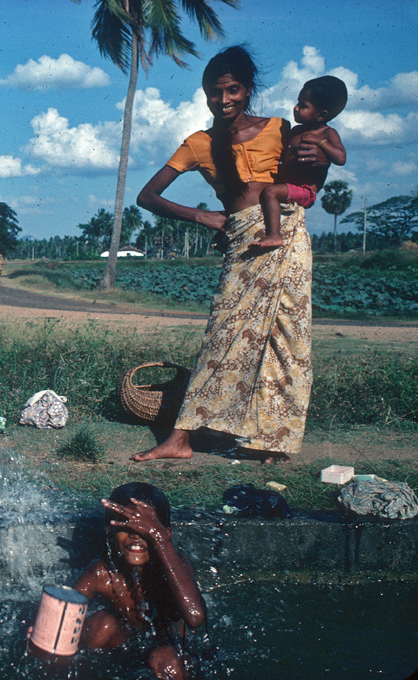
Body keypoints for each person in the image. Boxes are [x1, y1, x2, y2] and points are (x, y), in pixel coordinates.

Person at [134, 45, 319, 464]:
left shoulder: (280, 128)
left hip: (286, 234)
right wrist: (204, 217)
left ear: (248, 89)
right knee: (224, 331)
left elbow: (308, 179)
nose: (224, 100)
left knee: (287, 335)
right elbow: (148, 196)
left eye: (233, 90)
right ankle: (181, 438)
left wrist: (318, 156)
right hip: (244, 240)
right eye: (214, 93)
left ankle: (273, 440)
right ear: (205, 95)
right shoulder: (199, 143)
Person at [70, 483, 205, 680]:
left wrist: (159, 539)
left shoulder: (176, 567)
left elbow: (195, 617)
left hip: (173, 652)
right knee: (100, 626)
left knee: (165, 659)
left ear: (165, 533)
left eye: (147, 529)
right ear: (110, 532)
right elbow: (64, 613)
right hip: (124, 649)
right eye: (126, 525)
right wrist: (46, 633)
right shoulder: (101, 573)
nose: (136, 534)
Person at [250, 76, 348, 249]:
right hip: (287, 186)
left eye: (303, 106)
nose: (295, 108)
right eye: (298, 102)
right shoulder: (295, 131)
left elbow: (340, 158)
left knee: (270, 192)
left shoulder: (327, 133)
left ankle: (274, 235)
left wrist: (321, 142)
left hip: (305, 191)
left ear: (321, 115)